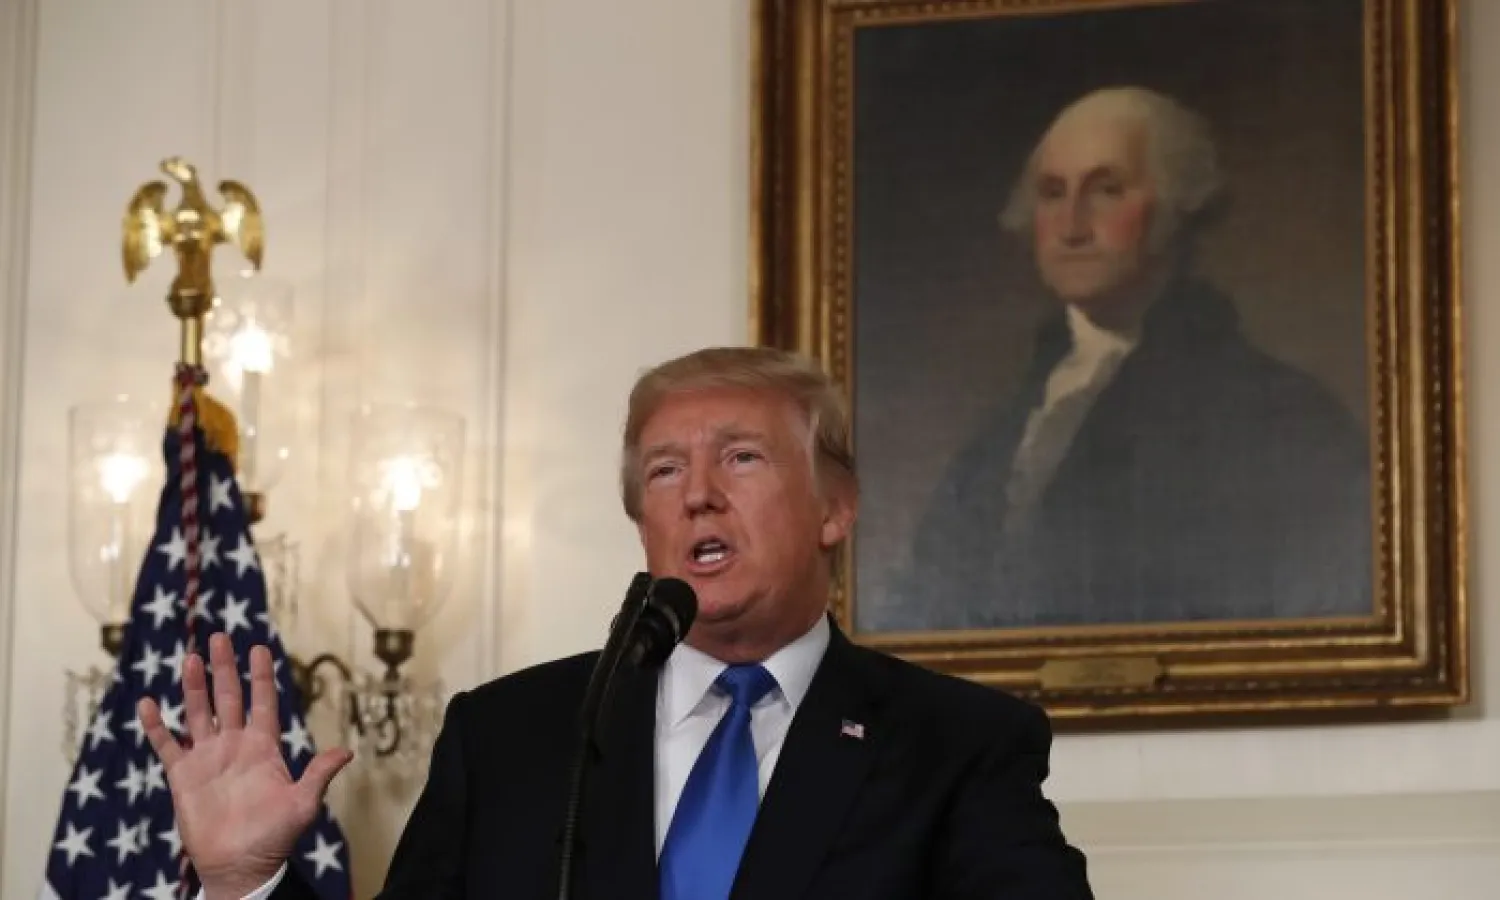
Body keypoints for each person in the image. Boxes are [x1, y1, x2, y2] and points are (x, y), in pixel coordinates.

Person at [140, 346, 1095, 899]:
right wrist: (246, 884)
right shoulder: (511, 738)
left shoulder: (957, 745)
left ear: (835, 510)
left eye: (743, 459)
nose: (700, 497)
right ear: (641, 518)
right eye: (666, 472)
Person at [889, 85, 1372, 631]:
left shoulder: (1282, 419)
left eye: (1107, 190)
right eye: (1052, 192)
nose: (1071, 225)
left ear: (1174, 207)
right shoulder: (997, 440)